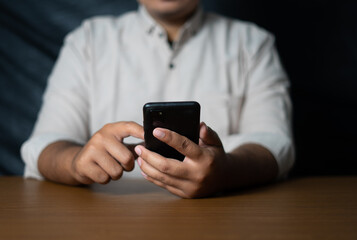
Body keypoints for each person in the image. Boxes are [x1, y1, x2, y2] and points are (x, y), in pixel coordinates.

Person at [21, 0, 294, 198]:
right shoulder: (88, 41)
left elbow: (274, 142)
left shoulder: (253, 43)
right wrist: (75, 163)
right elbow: (43, 145)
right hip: (109, 221)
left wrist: (227, 171)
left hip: (220, 217)